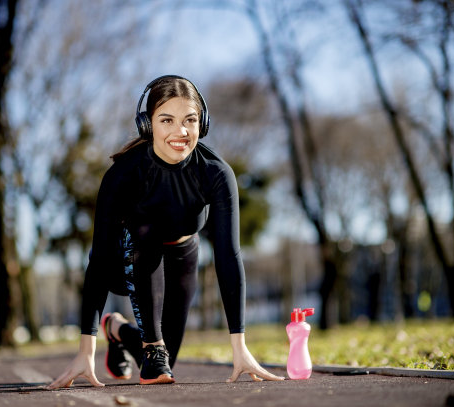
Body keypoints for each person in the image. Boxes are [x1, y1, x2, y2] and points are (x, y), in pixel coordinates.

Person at [47, 75, 284, 389]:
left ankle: (119, 331)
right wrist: (85, 349)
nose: (180, 132)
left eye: (190, 120)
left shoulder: (215, 173)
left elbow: (228, 255)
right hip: (127, 261)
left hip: (182, 253)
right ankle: (149, 344)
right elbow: (100, 257)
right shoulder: (123, 175)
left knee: (162, 365)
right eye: (167, 120)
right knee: (146, 231)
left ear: (204, 123)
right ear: (147, 125)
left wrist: (240, 348)